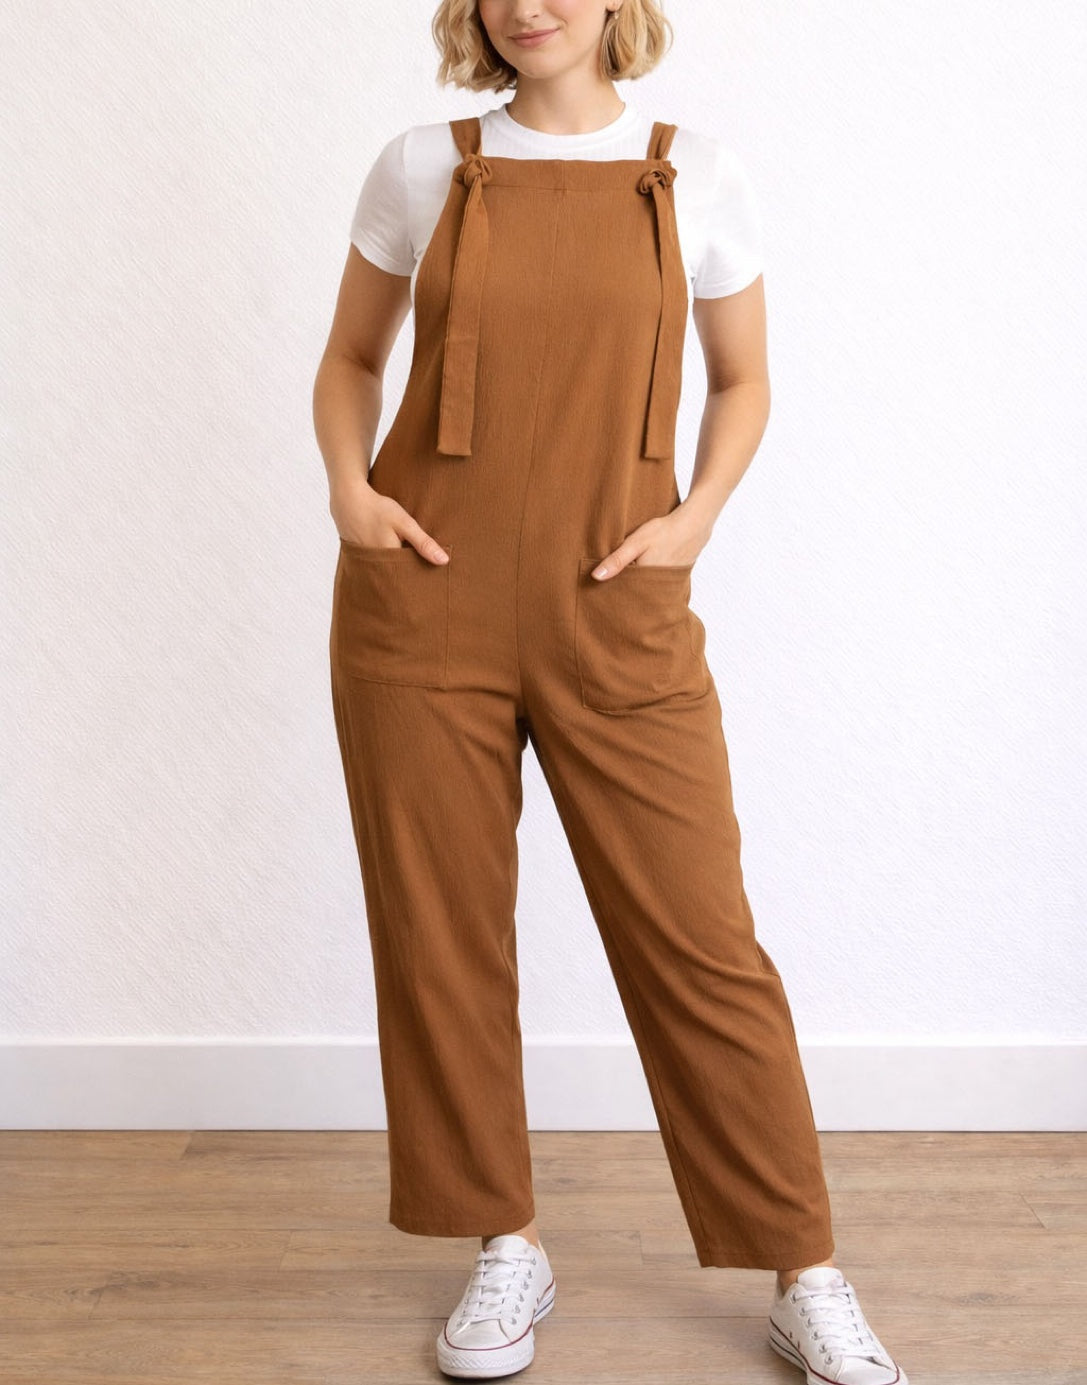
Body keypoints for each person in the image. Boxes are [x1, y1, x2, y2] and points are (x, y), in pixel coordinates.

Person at [312, 2, 910, 1382]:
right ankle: (503, 1243)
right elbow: (351, 359)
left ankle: (803, 1267)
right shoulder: (422, 165)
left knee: (701, 939)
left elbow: (745, 377)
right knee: (442, 934)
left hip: (619, 598)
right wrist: (350, 492)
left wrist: (697, 514)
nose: (532, 5)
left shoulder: (696, 168)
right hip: (422, 595)